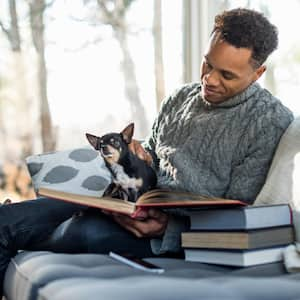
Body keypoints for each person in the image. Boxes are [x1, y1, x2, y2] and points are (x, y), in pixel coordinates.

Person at [0, 7, 294, 297]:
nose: (210, 80)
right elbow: (153, 153)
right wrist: (141, 156)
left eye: (227, 75)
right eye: (207, 64)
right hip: (124, 201)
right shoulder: (180, 98)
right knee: (7, 221)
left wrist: (169, 229)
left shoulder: (269, 122)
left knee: (80, 230)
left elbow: (241, 212)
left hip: (168, 233)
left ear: (258, 73)